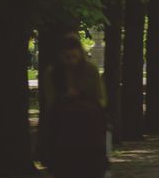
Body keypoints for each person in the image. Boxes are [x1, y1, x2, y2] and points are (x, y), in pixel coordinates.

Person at [38, 32, 107, 168]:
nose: (70, 61)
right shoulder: (53, 73)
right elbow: (50, 102)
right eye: (67, 57)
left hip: (88, 118)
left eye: (73, 57)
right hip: (63, 118)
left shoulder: (90, 71)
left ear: (80, 54)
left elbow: (101, 98)